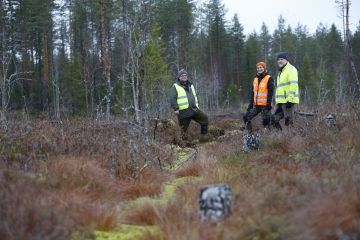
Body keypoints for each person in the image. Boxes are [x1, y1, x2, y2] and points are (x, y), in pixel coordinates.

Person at [170, 69, 209, 140]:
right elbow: (172, 98)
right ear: (179, 77)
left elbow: (194, 96)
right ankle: (183, 146)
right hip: (183, 112)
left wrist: (197, 106)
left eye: (185, 75)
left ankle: (204, 138)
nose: (184, 77)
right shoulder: (175, 86)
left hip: (193, 109)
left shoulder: (191, 85)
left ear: (187, 77)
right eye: (182, 76)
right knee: (183, 130)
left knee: (204, 119)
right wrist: (176, 109)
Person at [243, 62, 274, 131]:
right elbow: (253, 93)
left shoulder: (269, 78)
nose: (259, 69)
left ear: (264, 68)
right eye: (258, 68)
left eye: (261, 67)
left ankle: (271, 138)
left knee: (266, 123)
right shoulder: (255, 79)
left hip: (265, 105)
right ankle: (250, 134)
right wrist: (250, 105)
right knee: (246, 117)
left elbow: (271, 92)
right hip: (256, 105)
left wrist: (268, 104)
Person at [272, 52, 299, 130]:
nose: (279, 61)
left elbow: (293, 85)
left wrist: (290, 100)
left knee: (289, 122)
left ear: (286, 60)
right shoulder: (281, 71)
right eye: (278, 59)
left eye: (282, 59)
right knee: (273, 119)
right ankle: (281, 138)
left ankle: (292, 140)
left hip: (288, 101)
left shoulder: (291, 69)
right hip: (280, 101)